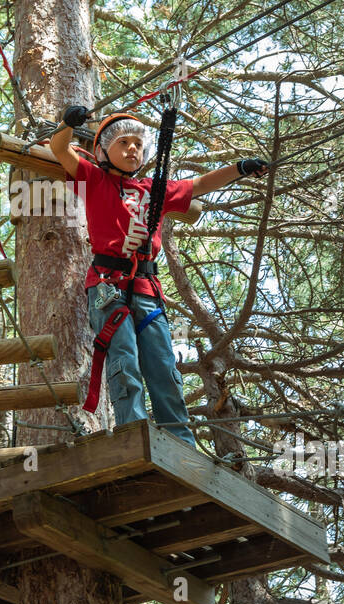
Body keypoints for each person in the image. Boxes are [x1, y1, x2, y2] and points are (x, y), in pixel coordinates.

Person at [48, 105, 270, 446]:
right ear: (103, 150)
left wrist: (240, 168)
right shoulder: (95, 179)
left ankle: (181, 443)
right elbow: (60, 149)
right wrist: (67, 123)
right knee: (124, 356)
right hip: (108, 284)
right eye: (123, 143)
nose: (132, 149)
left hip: (146, 288)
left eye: (138, 143)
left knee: (163, 366)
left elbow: (200, 184)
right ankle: (133, 433)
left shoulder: (154, 190)